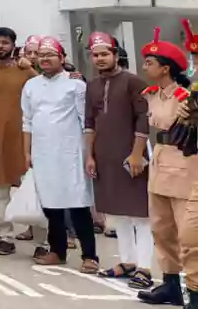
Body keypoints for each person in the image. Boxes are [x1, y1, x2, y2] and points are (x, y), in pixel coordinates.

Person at [21, 36, 97, 271]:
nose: (44, 60)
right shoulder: (30, 86)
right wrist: (27, 152)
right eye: (41, 56)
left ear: (62, 59)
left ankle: (90, 256)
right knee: (51, 205)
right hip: (43, 153)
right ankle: (57, 251)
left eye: (50, 55)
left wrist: (89, 153)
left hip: (71, 153)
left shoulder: (76, 84)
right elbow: (27, 121)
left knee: (77, 204)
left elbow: (86, 122)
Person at [83, 31, 152, 289]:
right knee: (118, 213)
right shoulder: (92, 86)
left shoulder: (133, 82)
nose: (100, 59)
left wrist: (136, 153)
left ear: (115, 54)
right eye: (95, 55)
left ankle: (144, 267)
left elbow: (143, 119)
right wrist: (89, 155)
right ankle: (127, 262)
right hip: (104, 155)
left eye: (104, 54)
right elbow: (89, 123)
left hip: (130, 155)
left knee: (140, 213)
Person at [137, 29, 198, 306]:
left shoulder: (186, 96)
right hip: (161, 160)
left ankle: (193, 288)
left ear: (165, 68)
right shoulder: (152, 95)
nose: (145, 67)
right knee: (162, 229)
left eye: (150, 62)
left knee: (188, 232)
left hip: (184, 163)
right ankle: (171, 283)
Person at [0, 27, 38, 254]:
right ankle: (5, 236)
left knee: (33, 190)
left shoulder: (24, 70)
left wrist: (30, 68)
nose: (0, 46)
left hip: (24, 141)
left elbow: (42, 87)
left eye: (5, 42)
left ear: (13, 45)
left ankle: (41, 241)